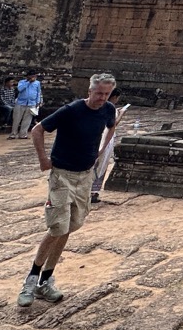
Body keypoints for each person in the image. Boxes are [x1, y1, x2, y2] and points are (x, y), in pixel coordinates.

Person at [17, 72, 118, 306]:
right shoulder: (71, 110)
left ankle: (47, 280)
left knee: (70, 226)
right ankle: (31, 279)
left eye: (107, 94)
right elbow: (38, 130)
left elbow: (111, 128)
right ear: (89, 91)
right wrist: (43, 159)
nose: (102, 98)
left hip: (84, 176)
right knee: (56, 227)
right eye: (99, 93)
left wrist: (101, 153)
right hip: (62, 175)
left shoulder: (108, 110)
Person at [90, 88, 129, 204]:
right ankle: (92, 192)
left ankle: (89, 191)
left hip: (96, 138)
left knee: (95, 165)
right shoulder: (109, 108)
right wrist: (121, 114)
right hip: (104, 139)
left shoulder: (96, 106)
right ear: (114, 97)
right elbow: (113, 124)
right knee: (100, 165)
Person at [11, 71, 42, 139]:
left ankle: (23, 134)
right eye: (32, 76)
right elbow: (20, 89)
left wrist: (38, 101)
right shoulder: (22, 82)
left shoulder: (37, 83)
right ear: (28, 76)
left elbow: (38, 92)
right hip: (21, 102)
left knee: (27, 120)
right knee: (17, 119)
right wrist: (28, 82)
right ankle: (13, 134)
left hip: (31, 103)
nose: (33, 78)